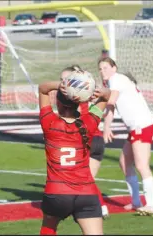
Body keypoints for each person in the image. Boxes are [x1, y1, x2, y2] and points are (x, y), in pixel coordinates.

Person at [39, 70, 111, 235]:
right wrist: (98, 92)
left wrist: (62, 84)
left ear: (58, 102)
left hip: (57, 192)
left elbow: (42, 88)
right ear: (79, 103)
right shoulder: (89, 123)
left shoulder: (48, 122)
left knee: (48, 229)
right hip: (86, 193)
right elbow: (107, 96)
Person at [99, 57, 153, 217]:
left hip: (141, 125)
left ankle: (151, 205)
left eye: (105, 68)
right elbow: (110, 104)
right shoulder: (115, 81)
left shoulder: (116, 79)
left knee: (141, 165)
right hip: (135, 127)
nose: (102, 71)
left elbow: (110, 103)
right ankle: (136, 201)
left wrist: (106, 127)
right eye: (100, 68)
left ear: (114, 68)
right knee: (124, 163)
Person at [63, 65, 109, 219]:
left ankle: (99, 207)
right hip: (98, 139)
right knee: (89, 179)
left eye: (65, 80)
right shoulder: (87, 95)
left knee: (84, 178)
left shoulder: (73, 100)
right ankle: (100, 207)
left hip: (87, 140)